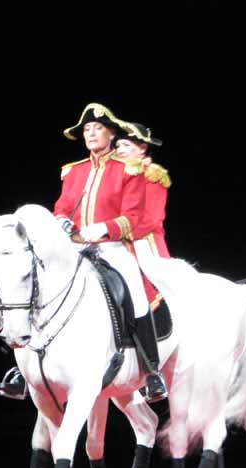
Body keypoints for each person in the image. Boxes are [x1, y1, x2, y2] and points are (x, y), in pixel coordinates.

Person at [52, 102, 168, 403]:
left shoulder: (127, 171)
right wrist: (62, 220)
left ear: (110, 133)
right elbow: (62, 206)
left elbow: (132, 218)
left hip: (111, 247)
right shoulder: (74, 172)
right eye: (87, 130)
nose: (90, 134)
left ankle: (152, 370)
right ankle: (25, 371)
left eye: (97, 129)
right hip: (76, 247)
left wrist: (102, 229)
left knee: (136, 293)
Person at [114, 122, 171, 261]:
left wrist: (116, 231)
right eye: (118, 146)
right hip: (111, 237)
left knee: (151, 274)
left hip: (143, 239)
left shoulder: (152, 174)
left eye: (126, 145)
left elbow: (152, 218)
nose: (120, 150)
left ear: (142, 148)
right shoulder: (113, 175)